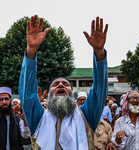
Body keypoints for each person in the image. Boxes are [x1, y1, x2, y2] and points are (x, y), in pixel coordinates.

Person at [19, 15, 108, 149]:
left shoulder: (87, 115)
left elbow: (99, 89)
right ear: (48, 96)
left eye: (66, 84)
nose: (61, 85)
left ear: (73, 95)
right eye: (56, 85)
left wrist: (99, 51)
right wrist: (31, 50)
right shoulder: (38, 118)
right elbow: (28, 93)